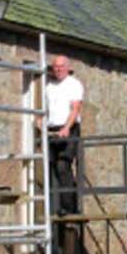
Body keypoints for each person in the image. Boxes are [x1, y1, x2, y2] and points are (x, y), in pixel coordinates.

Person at [42, 55, 84, 217]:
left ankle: (70, 207)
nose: (58, 69)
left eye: (61, 66)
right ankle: (55, 206)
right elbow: (45, 110)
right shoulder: (49, 86)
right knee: (52, 166)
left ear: (67, 68)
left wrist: (67, 128)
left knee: (63, 165)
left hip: (69, 127)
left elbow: (75, 108)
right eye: (55, 67)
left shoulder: (74, 84)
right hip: (52, 128)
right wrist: (39, 122)